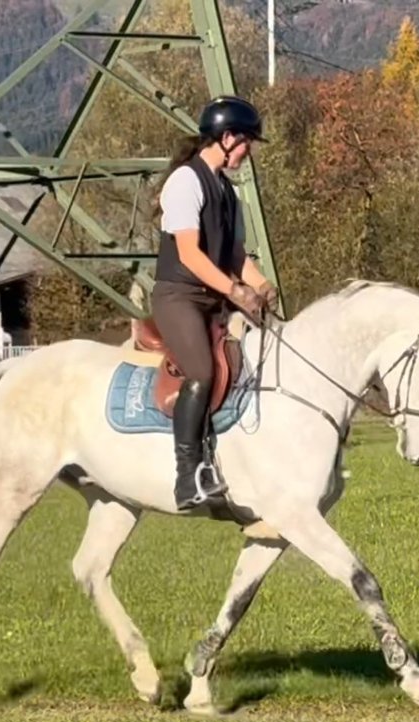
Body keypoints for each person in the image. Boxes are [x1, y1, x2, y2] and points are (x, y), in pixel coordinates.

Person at [152, 95, 278, 510]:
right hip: (178, 297)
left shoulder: (228, 192)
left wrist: (263, 287)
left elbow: (238, 256)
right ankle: (187, 477)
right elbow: (189, 254)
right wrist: (234, 291)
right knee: (202, 370)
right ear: (226, 138)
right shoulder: (185, 182)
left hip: (214, 298)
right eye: (246, 143)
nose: (248, 152)